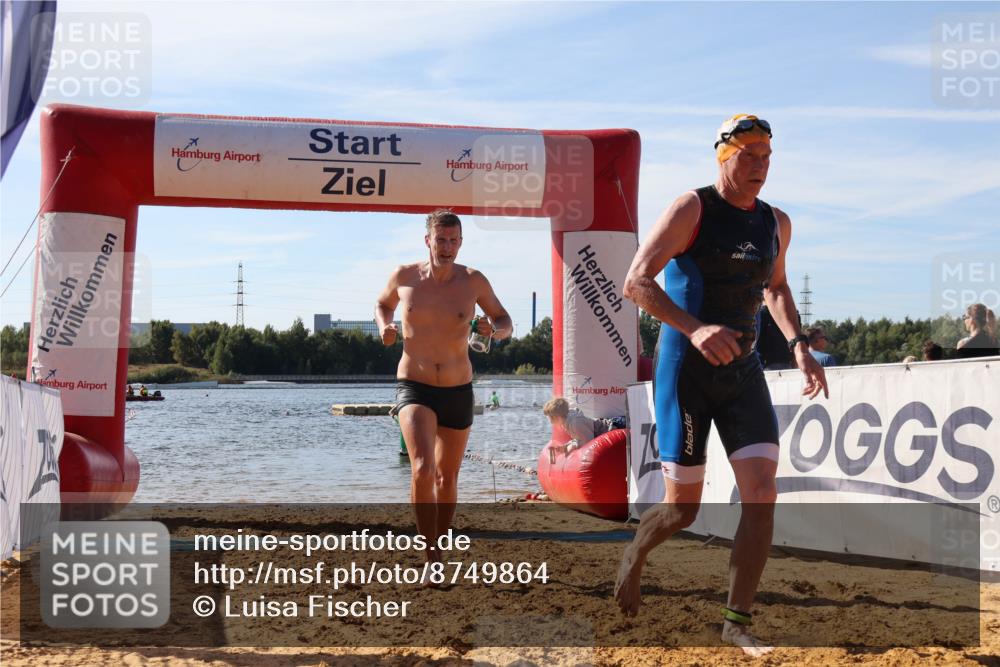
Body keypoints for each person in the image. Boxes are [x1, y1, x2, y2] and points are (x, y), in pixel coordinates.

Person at [614, 114, 828, 656]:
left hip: (744, 373)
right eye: (749, 157)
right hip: (685, 371)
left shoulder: (776, 223)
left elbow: (776, 288)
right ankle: (637, 552)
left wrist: (800, 345)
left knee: (761, 494)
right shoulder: (693, 208)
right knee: (682, 510)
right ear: (724, 158)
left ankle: (736, 622)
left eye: (767, 158)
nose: (760, 167)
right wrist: (696, 326)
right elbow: (635, 281)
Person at [376, 209, 512, 568]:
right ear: (428, 240)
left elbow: (505, 320)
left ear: (461, 242)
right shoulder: (404, 276)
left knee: (447, 477)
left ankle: (440, 537)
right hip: (414, 385)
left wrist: (494, 331)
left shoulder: (473, 281)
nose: (447, 247)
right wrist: (384, 327)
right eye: (441, 240)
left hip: (457, 388)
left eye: (453, 240)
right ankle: (430, 551)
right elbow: (382, 304)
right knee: (422, 467)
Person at [542, 397, 625, 451]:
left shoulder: (575, 423)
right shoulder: (565, 422)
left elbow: (589, 442)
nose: (548, 420)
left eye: (549, 417)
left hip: (616, 426)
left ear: (557, 416)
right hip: (613, 425)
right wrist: (565, 446)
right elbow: (580, 438)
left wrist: (571, 446)